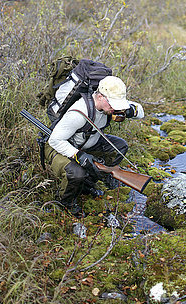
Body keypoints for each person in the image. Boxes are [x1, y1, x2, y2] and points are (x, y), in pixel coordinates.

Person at [45, 75, 144, 216]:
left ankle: (88, 184)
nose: (114, 108)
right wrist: (78, 155)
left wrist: (128, 111)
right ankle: (66, 202)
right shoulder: (78, 113)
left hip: (89, 143)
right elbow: (54, 141)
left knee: (120, 147)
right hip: (61, 146)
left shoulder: (110, 102)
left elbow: (140, 111)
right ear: (100, 97)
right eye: (112, 104)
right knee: (76, 173)